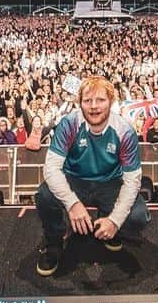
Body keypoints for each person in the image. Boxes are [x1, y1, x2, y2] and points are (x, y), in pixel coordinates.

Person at [35, 76, 150, 277]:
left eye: (100, 100)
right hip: (74, 180)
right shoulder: (68, 124)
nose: (94, 107)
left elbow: (132, 181)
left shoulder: (125, 130)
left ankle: (109, 227)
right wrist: (72, 203)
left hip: (109, 182)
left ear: (111, 101)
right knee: (44, 195)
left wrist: (115, 220)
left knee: (138, 217)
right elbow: (51, 169)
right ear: (80, 103)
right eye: (87, 101)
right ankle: (54, 242)